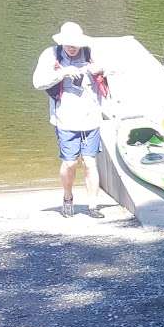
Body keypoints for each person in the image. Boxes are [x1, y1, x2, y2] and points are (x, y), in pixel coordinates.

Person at [33, 21, 108, 219]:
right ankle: (67, 197)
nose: (72, 48)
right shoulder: (50, 55)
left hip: (91, 118)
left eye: (75, 44)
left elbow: (113, 70)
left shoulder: (92, 52)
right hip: (65, 119)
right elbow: (38, 83)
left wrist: (99, 70)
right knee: (70, 164)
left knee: (91, 163)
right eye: (68, 44)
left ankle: (93, 205)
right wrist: (63, 73)